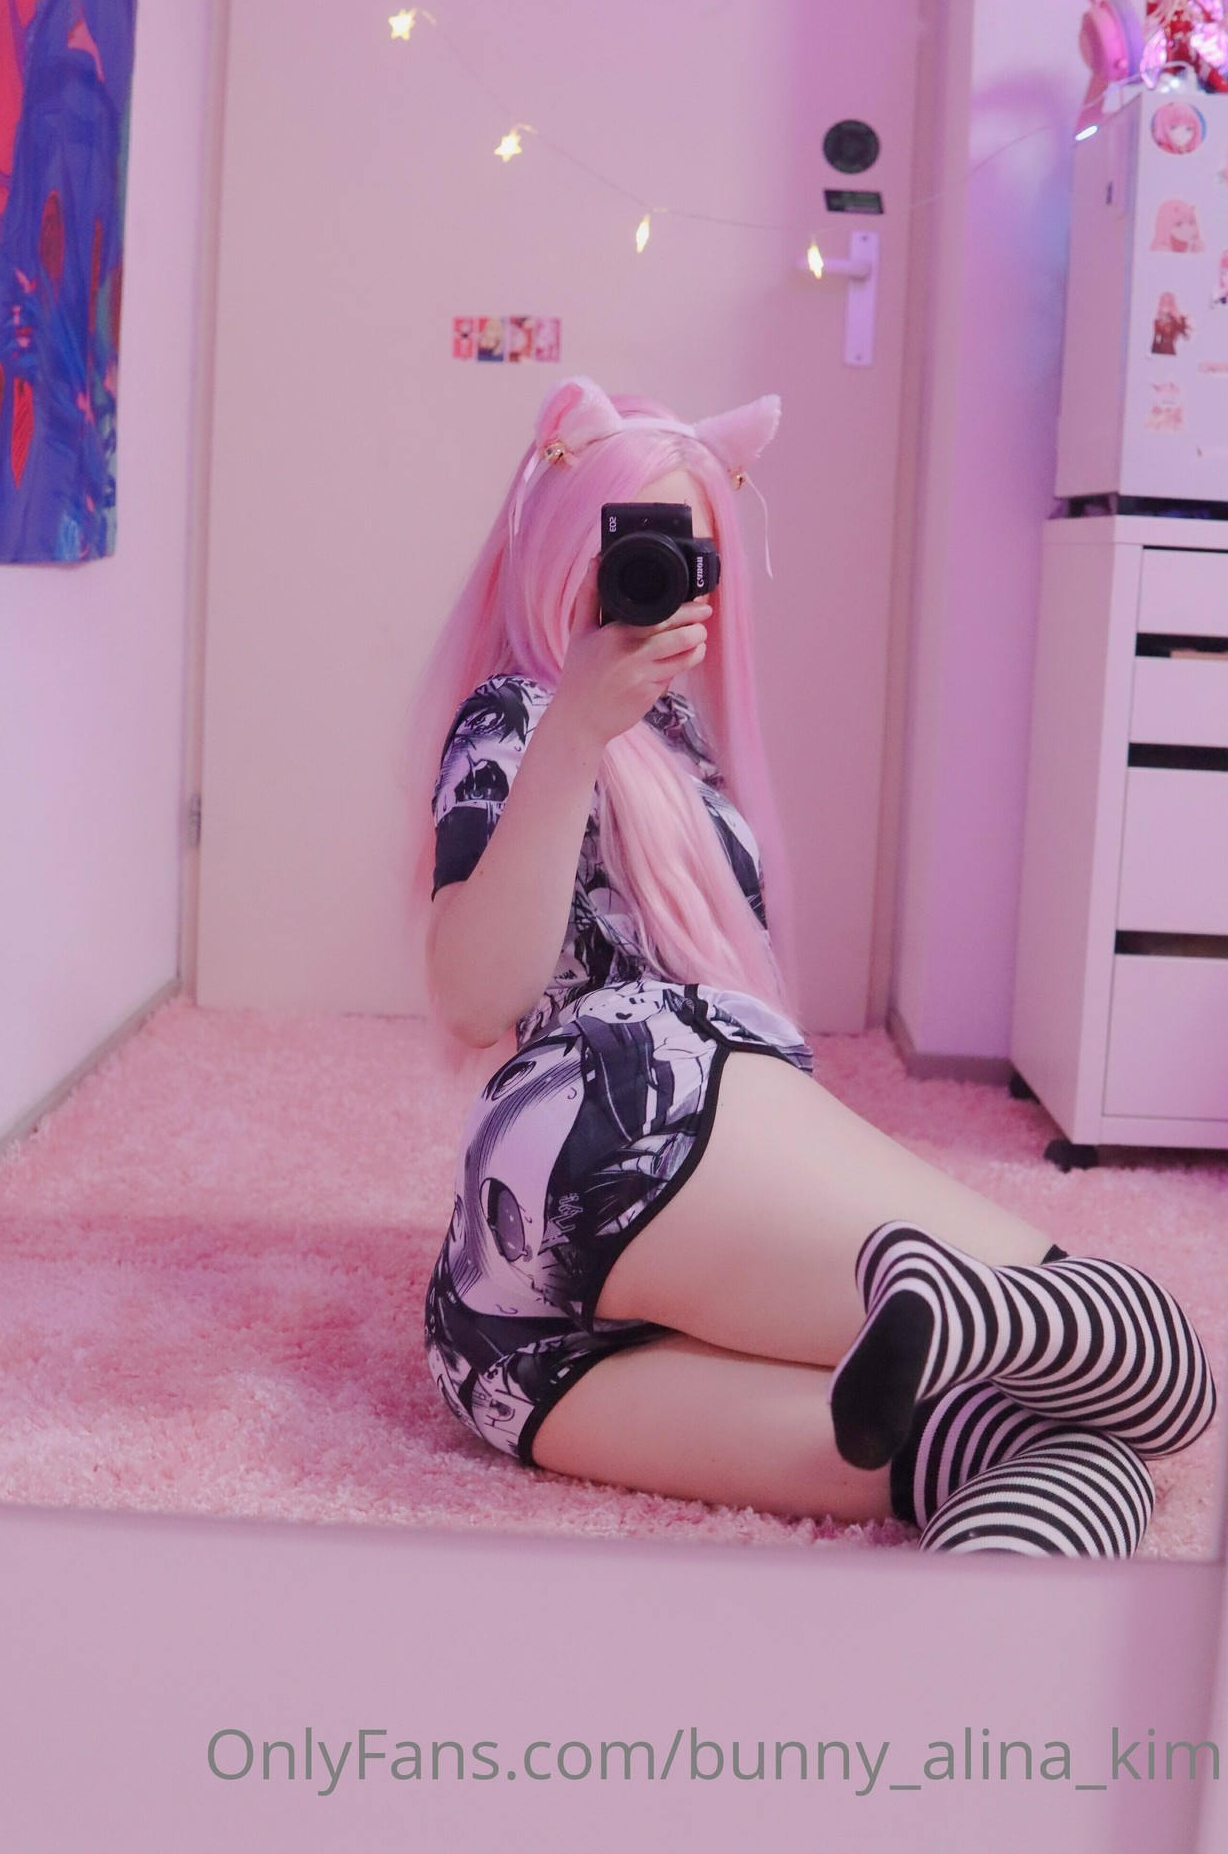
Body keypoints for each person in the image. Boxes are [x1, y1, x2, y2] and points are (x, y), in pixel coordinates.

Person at [400, 375, 1216, 1557]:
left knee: (1051, 1441)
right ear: (557, 548)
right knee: (1161, 1378)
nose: (657, 578)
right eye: (625, 543)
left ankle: (965, 1669)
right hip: (632, 1104)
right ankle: (954, 1301)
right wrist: (573, 728)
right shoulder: (519, 713)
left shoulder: (675, 739)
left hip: (504, 1333)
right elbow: (476, 994)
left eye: (689, 555)